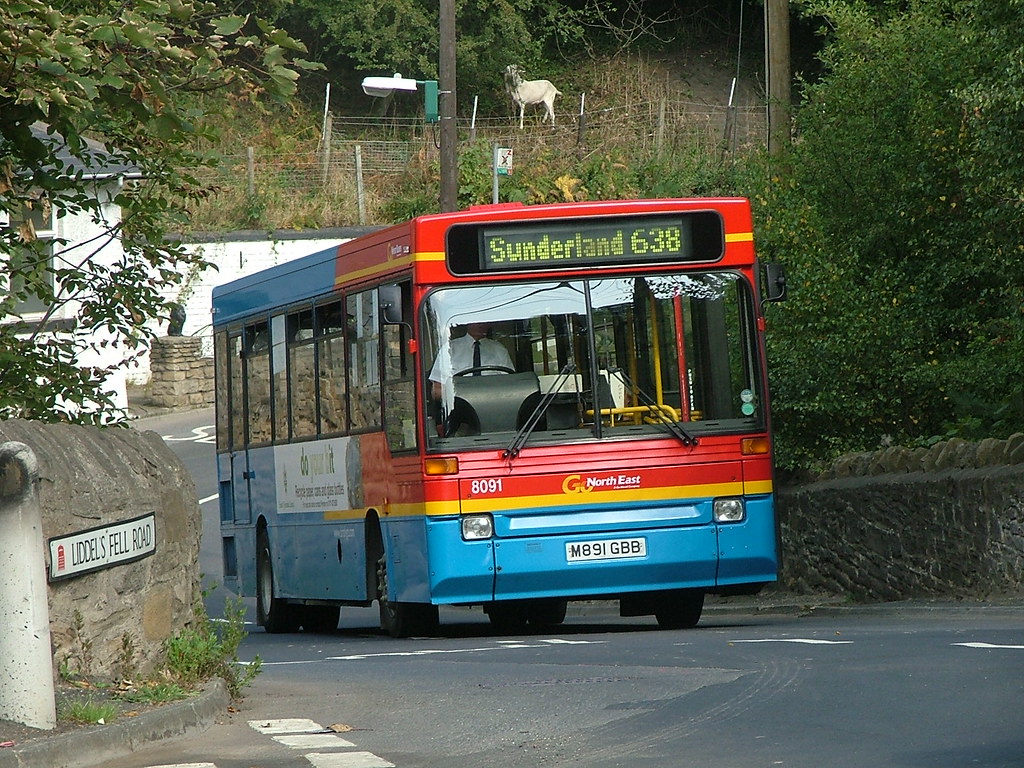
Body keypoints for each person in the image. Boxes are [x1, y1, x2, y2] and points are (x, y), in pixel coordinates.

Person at [429, 322, 513, 400]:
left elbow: (510, 387)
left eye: (483, 320)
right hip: (459, 406)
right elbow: (437, 391)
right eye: (476, 320)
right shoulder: (449, 349)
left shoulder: (499, 350)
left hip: (493, 404)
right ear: (467, 321)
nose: (480, 324)